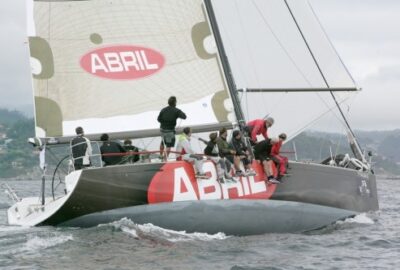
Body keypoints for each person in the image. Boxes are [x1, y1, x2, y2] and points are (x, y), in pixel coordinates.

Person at [157, 96, 187, 161]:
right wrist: (178, 113)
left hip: (162, 130)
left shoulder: (163, 109)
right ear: (175, 102)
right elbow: (184, 117)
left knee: (162, 142)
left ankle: (160, 155)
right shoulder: (176, 111)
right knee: (168, 145)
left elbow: (158, 119)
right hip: (170, 131)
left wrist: (164, 122)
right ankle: (164, 159)